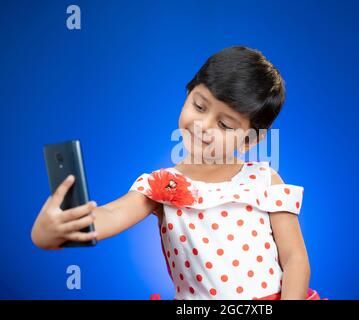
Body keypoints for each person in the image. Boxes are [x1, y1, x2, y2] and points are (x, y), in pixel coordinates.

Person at [31, 46, 322, 300]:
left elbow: (295, 258)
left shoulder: (265, 179)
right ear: (188, 94)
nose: (204, 126)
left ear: (252, 140)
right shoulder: (162, 185)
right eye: (199, 105)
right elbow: (112, 214)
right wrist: (48, 232)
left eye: (225, 124)